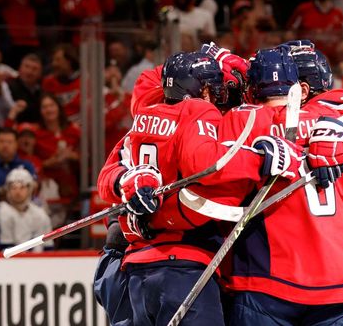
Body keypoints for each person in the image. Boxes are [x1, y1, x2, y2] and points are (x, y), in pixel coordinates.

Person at [96, 51, 301, 325]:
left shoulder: (142, 116)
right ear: (201, 89)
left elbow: (107, 178)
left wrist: (128, 182)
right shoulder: (198, 109)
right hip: (183, 262)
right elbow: (204, 164)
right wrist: (261, 160)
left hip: (134, 266)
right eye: (212, 86)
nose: (218, 95)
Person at [217, 45, 343, 325]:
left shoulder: (242, 119)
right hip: (341, 282)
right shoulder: (338, 119)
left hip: (269, 281)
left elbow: (218, 187)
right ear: (300, 88)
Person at [0, 168, 51, 252]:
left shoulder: (40, 214)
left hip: (36, 262)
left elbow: (48, 247)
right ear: (8, 189)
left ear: (29, 189)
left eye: (22, 187)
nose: (18, 192)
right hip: (5, 262)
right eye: (13, 187)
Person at [0, 128, 36, 218]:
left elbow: (33, 189)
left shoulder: (27, 166)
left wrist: (2, 191)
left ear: (16, 144)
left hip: (23, 216)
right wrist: (19, 190)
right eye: (1, 141)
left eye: (9, 142)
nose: (5, 145)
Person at [34, 94, 80, 201]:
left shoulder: (73, 131)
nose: (49, 110)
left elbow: (87, 157)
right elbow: (32, 162)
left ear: (58, 107)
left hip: (74, 186)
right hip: (48, 188)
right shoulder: (36, 134)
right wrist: (51, 162)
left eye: (51, 105)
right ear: (40, 111)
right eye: (44, 107)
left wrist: (72, 156)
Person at [42, 44, 81, 123]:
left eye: (58, 60)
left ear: (69, 61)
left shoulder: (86, 82)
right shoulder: (48, 82)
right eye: (53, 60)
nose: (54, 64)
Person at [7, 53, 42, 124]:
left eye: (34, 69)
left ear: (40, 73)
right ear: (19, 68)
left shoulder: (42, 90)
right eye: (26, 67)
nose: (29, 72)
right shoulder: (9, 87)